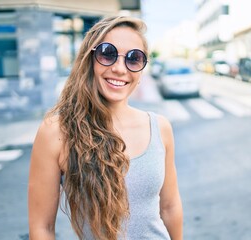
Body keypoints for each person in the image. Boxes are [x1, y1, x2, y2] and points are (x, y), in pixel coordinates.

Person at [28, 16, 183, 240]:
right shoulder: (56, 132)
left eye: (134, 58)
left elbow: (169, 206)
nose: (120, 68)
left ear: (141, 69)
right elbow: (42, 228)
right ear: (89, 59)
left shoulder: (160, 127)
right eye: (108, 54)